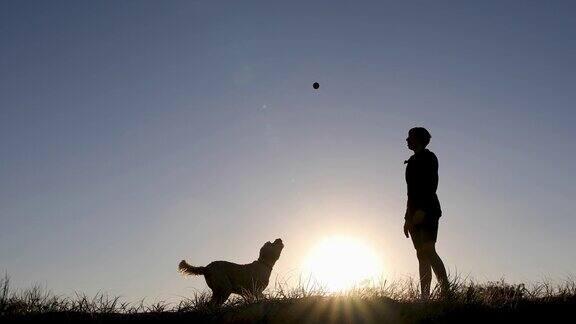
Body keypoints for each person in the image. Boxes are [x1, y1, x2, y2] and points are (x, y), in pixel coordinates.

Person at [403, 127, 450, 299]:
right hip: (413, 213)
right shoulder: (410, 163)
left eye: (410, 137)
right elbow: (410, 194)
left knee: (429, 249)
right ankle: (425, 298)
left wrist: (423, 209)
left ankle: (446, 293)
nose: (407, 140)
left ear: (419, 139)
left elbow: (431, 185)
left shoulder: (429, 158)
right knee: (420, 253)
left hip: (428, 210)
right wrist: (407, 218)